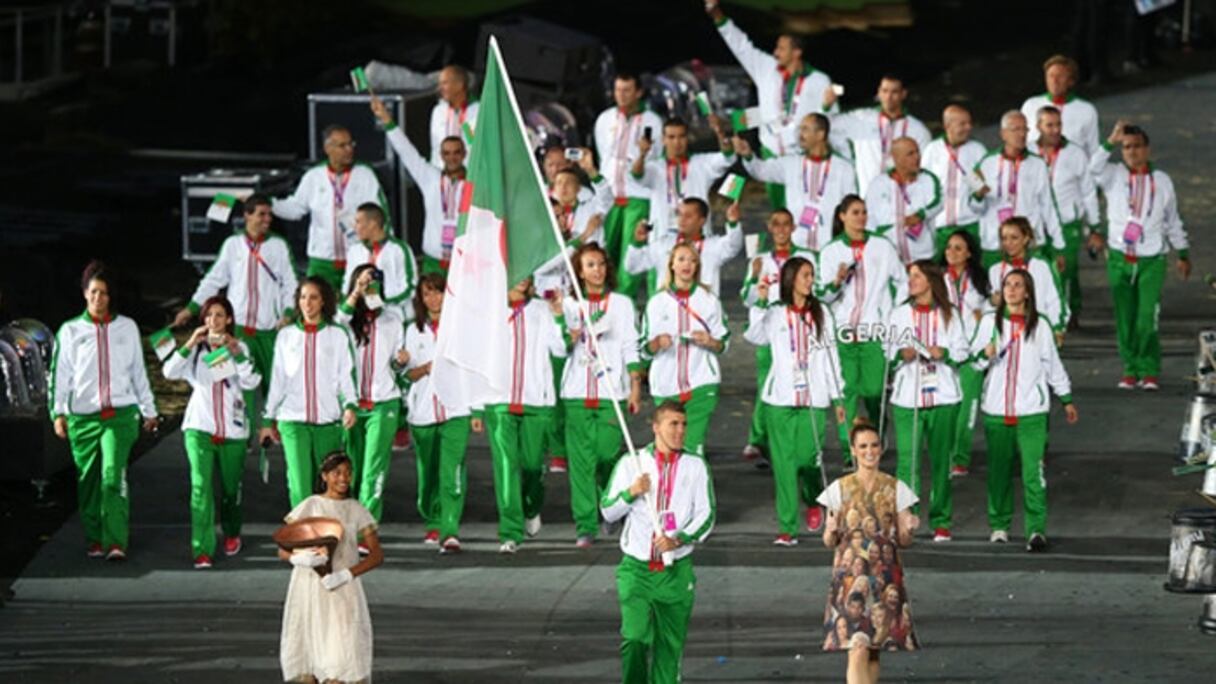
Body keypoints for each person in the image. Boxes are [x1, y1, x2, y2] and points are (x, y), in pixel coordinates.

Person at [600, 401, 715, 684]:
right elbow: (608, 511)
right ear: (656, 427)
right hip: (637, 570)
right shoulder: (632, 463)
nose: (680, 431)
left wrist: (680, 539)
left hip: (676, 572)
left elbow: (707, 514)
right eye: (673, 424)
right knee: (635, 639)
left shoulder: (695, 466)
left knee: (669, 648)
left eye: (683, 424)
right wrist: (631, 492)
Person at [50, 261, 159, 561]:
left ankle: (115, 541)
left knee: (112, 476)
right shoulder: (70, 331)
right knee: (88, 482)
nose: (99, 298)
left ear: (111, 296)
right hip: (83, 418)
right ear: (85, 293)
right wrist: (58, 413)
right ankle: (95, 537)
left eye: (105, 293)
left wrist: (149, 410)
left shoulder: (127, 328)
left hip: (120, 417)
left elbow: (138, 372)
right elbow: (60, 375)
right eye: (94, 292)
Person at [972, 270, 1079, 551]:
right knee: (999, 473)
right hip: (996, 409)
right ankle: (999, 525)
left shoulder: (1040, 326)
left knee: (1033, 473)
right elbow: (973, 362)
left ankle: (1036, 530)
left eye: (1018, 285)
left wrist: (1066, 398)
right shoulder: (989, 322)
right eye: (1007, 284)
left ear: (1027, 292)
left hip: (1032, 412)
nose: (1011, 290)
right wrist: (985, 354)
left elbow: (1052, 364)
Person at [173, 194, 297, 431]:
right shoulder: (232, 245)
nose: (267, 219)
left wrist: (288, 312)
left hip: (268, 330)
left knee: (275, 383)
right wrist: (192, 308)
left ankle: (275, 431)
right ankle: (238, 432)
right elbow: (213, 279)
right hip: (235, 331)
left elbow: (290, 283)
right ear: (247, 215)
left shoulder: (279, 245)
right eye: (261, 214)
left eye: (269, 215)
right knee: (232, 383)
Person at [744, 256, 846, 541]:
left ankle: (813, 498)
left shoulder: (822, 312)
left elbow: (831, 356)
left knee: (809, 459)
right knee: (784, 466)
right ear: (790, 279)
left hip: (814, 398)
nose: (810, 280)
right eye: (805, 275)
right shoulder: (775, 313)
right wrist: (759, 302)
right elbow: (755, 336)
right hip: (780, 400)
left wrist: (838, 397)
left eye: (811, 275)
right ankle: (787, 529)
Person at [1089, 121, 1191, 390]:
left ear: (1147, 149)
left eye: (1136, 146)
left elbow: (1172, 218)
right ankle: (1130, 368)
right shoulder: (1113, 175)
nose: (1131, 152)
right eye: (1126, 147)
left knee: (1147, 317)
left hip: (1151, 259)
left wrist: (1182, 252)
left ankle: (1149, 369)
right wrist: (1110, 141)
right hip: (1119, 257)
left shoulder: (1162, 180)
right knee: (1125, 317)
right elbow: (1092, 168)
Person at [705, 0, 836, 207]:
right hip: (771, 155)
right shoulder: (766, 69)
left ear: (797, 52)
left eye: (781, 48)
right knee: (779, 213)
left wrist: (826, 110)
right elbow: (741, 46)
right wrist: (718, 15)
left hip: (800, 155)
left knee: (804, 209)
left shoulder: (819, 81)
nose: (775, 53)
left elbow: (830, 120)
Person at [162, 296, 261, 568]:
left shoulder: (241, 347)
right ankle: (202, 549)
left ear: (228, 319)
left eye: (219, 315)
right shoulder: (196, 350)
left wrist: (235, 352)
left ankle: (231, 530)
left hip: (233, 430)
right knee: (200, 488)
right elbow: (169, 372)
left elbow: (251, 381)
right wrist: (190, 343)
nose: (213, 320)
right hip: (199, 428)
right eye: (208, 316)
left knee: (231, 490)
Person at [819, 419, 920, 683]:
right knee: (857, 648)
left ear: (881, 448)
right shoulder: (839, 488)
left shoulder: (896, 487)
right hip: (850, 575)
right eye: (863, 446)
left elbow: (904, 540)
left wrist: (909, 528)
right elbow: (829, 541)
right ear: (853, 450)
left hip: (885, 576)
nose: (869, 451)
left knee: (874, 650)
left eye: (874, 445)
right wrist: (830, 530)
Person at [560, 243, 644, 548]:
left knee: (608, 454)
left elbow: (630, 344)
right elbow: (558, 347)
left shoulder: (621, 304)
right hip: (576, 392)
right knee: (581, 463)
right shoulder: (570, 305)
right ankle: (585, 525)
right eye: (590, 265)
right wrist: (566, 332)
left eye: (601, 264)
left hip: (612, 392)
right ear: (580, 272)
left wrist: (635, 386)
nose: (597, 270)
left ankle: (611, 506)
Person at [278, 452, 383, 683]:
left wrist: (346, 575)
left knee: (342, 650)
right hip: (309, 587)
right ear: (324, 476)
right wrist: (299, 559)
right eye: (337, 473)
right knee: (308, 651)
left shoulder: (356, 509)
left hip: (342, 589)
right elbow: (283, 548)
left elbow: (377, 555)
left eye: (348, 473)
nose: (344, 478)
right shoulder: (311, 505)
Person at [480, 277, 567, 554]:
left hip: (536, 400)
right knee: (506, 467)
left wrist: (559, 316)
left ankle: (531, 506)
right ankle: (510, 532)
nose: (523, 279)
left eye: (528, 275)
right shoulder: (489, 309)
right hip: (498, 401)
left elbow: (560, 348)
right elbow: (478, 356)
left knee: (532, 467)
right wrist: (476, 404)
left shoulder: (541, 309)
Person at [816, 196, 907, 453]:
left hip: (874, 331)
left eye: (864, 212)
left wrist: (892, 314)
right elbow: (823, 295)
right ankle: (850, 449)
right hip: (843, 332)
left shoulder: (882, 246)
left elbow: (902, 281)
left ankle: (877, 432)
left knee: (874, 390)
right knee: (846, 392)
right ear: (842, 216)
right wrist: (836, 282)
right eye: (855, 212)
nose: (861, 217)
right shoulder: (831, 250)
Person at [885, 261, 967, 542]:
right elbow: (887, 354)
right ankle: (905, 518)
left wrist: (944, 352)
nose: (911, 281)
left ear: (931, 281)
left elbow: (963, 351)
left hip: (944, 396)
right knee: (907, 461)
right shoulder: (899, 314)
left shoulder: (950, 314)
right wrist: (901, 354)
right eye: (910, 276)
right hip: (907, 398)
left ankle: (941, 520)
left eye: (917, 276)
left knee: (941, 462)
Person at [260, 277, 359, 508]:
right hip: (293, 421)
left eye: (313, 297)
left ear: (323, 301)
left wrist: (350, 405)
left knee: (329, 488)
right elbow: (278, 380)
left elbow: (346, 375)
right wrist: (267, 419)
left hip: (328, 422)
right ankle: (304, 530)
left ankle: (327, 529)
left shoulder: (337, 334)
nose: (307, 303)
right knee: (300, 487)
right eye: (303, 297)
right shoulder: (286, 336)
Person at [404, 273, 477, 553]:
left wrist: (477, 409)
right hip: (423, 413)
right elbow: (407, 374)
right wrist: (425, 369)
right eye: (427, 293)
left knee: (452, 471)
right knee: (428, 476)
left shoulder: (461, 328)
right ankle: (432, 516)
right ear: (421, 299)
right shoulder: (414, 331)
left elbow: (472, 369)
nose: (434, 298)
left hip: (457, 410)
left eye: (438, 292)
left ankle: (449, 528)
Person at [272, 124, 389, 293]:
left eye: (351, 144)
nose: (349, 149)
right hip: (322, 261)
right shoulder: (314, 176)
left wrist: (381, 249)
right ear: (328, 148)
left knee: (364, 304)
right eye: (342, 145)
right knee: (316, 303)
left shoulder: (365, 174)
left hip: (358, 256)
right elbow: (295, 209)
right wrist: (268, 204)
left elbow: (379, 215)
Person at [336, 264, 408, 535]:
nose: (369, 288)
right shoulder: (345, 321)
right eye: (364, 282)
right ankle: (350, 518)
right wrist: (356, 293)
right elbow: (338, 320)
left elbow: (397, 365)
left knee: (373, 468)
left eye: (373, 283)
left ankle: (365, 528)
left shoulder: (393, 319)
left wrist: (401, 362)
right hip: (352, 405)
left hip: (384, 403)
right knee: (350, 468)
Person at [738, 208, 814, 466]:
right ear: (769, 228)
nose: (781, 229)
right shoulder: (760, 260)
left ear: (793, 228)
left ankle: (790, 445)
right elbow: (747, 299)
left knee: (798, 388)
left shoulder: (806, 258)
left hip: (800, 332)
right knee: (767, 386)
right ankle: (759, 441)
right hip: (771, 333)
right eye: (776, 224)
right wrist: (753, 277)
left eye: (786, 224)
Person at [641, 243, 730, 457]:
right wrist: (657, 343)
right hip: (665, 385)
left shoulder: (709, 300)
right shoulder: (657, 302)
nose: (686, 264)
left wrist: (710, 341)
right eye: (681, 259)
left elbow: (724, 343)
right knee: (669, 448)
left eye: (692, 260)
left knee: (692, 448)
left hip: (702, 383)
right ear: (671, 265)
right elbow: (643, 349)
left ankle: (697, 479)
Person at [374, 94, 468, 274]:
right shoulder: (430, 177)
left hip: (464, 262)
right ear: (441, 156)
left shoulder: (475, 182)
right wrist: (387, 121)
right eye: (447, 153)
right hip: (433, 262)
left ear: (464, 154)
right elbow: (407, 152)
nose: (452, 158)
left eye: (457, 152)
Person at [735, 113, 858, 252]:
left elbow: (851, 208)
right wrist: (748, 156)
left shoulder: (844, 168)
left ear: (820, 134)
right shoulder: (791, 163)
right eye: (800, 129)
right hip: (798, 244)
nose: (800, 134)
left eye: (805, 129)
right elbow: (762, 171)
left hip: (830, 245)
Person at [594, 72, 664, 297]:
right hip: (609, 197)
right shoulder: (605, 119)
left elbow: (656, 158)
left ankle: (626, 305)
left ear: (638, 92)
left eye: (627, 90)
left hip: (638, 197)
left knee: (630, 258)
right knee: (604, 255)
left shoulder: (652, 121)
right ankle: (604, 305)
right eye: (617, 90)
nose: (621, 95)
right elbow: (603, 155)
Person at [1032, 105, 1101, 328]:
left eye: (1058, 124)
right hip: (1037, 224)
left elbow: (1088, 192)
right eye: (1049, 125)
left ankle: (1066, 313)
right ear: (1038, 126)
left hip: (1067, 223)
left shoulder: (1075, 153)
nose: (1055, 130)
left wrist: (1094, 227)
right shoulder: (1029, 151)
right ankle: (1044, 314)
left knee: (1064, 270)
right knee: (1039, 271)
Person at [970, 111, 1066, 268]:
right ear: (1003, 134)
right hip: (995, 244)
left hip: (1030, 244)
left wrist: (1058, 245)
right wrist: (978, 196)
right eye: (1016, 129)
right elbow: (974, 208)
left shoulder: (1038, 164)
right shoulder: (986, 163)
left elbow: (1048, 206)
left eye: (1025, 129)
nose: (1022, 134)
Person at [631, 116, 734, 245]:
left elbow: (729, 157)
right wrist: (642, 154)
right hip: (663, 238)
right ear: (663, 140)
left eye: (682, 136)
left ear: (688, 138)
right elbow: (637, 175)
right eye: (671, 137)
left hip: (697, 238)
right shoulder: (655, 167)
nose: (677, 142)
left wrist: (720, 133)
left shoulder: (702, 163)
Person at [938, 230, 991, 478]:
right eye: (949, 247)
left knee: (966, 409)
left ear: (969, 253)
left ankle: (960, 457)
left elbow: (991, 310)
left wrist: (984, 314)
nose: (952, 252)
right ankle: (944, 453)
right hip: (945, 352)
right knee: (946, 408)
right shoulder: (937, 280)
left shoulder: (981, 280)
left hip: (972, 353)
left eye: (958, 248)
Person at [827, 74, 931, 197]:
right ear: (879, 93)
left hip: (902, 198)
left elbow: (925, 168)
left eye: (894, 92)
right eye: (885, 91)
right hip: (866, 197)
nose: (889, 97)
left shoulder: (918, 130)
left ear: (903, 94)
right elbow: (826, 127)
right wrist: (826, 107)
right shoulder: (861, 119)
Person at [626, 197, 743, 297]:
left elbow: (733, 245)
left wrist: (733, 223)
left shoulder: (713, 246)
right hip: (668, 310)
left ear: (702, 221)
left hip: (701, 312)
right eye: (680, 214)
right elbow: (632, 266)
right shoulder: (664, 244)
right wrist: (637, 243)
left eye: (688, 216)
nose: (682, 219)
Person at [988, 216, 1068, 343]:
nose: (1008, 243)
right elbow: (991, 307)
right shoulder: (995, 270)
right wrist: (992, 301)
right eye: (1004, 238)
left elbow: (1055, 299)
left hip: (1038, 332)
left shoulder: (1042, 266)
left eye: (1014, 238)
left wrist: (1058, 328)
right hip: (1007, 336)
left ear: (1025, 238)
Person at [863, 137, 943, 264]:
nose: (917, 157)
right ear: (896, 158)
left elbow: (938, 203)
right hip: (891, 258)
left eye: (917, 152)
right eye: (910, 154)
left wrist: (920, 215)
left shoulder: (928, 178)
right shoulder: (878, 184)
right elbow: (871, 219)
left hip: (924, 257)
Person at [920, 104, 987, 255]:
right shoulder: (932, 150)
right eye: (962, 124)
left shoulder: (978, 150)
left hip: (970, 224)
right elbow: (923, 187)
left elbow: (984, 190)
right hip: (940, 227)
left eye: (969, 123)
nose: (968, 127)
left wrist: (980, 193)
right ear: (947, 126)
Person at [341, 202, 418, 323]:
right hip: (362, 318)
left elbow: (410, 287)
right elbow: (347, 285)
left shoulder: (399, 249)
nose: (354, 227)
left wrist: (379, 302)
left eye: (358, 222)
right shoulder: (354, 251)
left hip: (395, 317)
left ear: (373, 224)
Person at [1021, 55, 1101, 157]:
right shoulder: (1030, 105)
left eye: (1060, 76)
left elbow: (1094, 150)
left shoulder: (1086, 110)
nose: (1054, 81)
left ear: (1071, 81)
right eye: (1051, 76)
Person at [429, 64, 479, 166]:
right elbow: (435, 149)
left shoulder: (478, 110)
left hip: (469, 172)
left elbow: (476, 146)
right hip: (443, 173)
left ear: (459, 85)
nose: (440, 88)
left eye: (444, 83)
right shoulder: (438, 112)